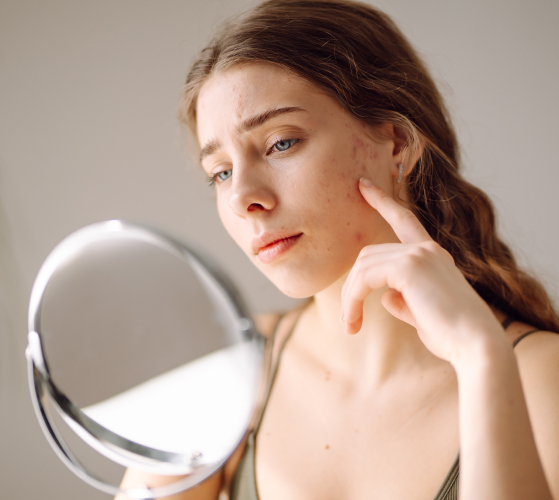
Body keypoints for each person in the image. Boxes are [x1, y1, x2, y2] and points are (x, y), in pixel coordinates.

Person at [117, 1, 559, 498]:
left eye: (281, 143)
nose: (242, 199)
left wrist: (480, 359)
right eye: (220, 172)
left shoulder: (541, 379)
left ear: (396, 142)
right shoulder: (235, 371)